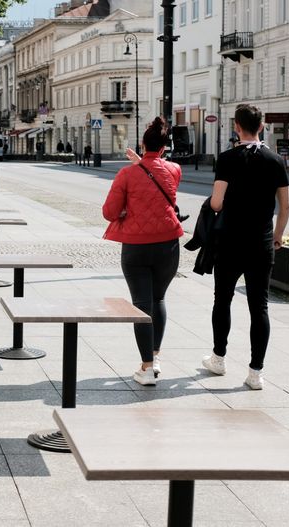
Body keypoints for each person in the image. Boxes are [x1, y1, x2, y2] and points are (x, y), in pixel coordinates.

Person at [203, 104, 289, 390]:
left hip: (229, 242)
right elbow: (285, 206)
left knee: (222, 300)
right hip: (261, 243)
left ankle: (219, 359)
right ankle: (255, 373)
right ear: (261, 126)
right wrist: (277, 235)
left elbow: (217, 202)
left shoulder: (227, 159)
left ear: (236, 127)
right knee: (259, 306)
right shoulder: (275, 160)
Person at [101, 117, 184, 386]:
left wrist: (127, 210)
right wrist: (145, 162)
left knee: (141, 305)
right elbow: (157, 175)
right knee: (158, 300)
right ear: (164, 148)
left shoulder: (126, 174)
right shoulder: (174, 170)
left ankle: (146, 368)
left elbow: (109, 212)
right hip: (168, 245)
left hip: (136, 248)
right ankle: (155, 359)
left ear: (142, 144)